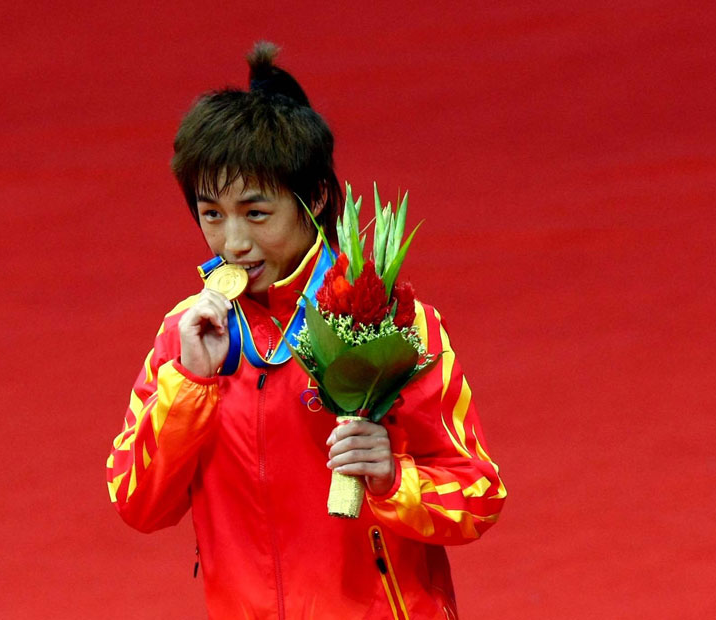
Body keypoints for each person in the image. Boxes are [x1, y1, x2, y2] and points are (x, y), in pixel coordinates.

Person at [106, 41, 506, 619]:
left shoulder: (384, 320)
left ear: (314, 197)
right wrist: (190, 383)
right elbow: (137, 504)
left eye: (256, 213)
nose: (233, 243)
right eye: (212, 214)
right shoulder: (186, 336)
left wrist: (393, 480)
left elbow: (478, 495)